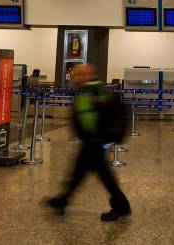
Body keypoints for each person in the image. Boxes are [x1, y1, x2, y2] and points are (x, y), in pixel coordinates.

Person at [46, 63, 131, 221]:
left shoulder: (86, 92)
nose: (75, 79)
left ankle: (121, 206)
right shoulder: (101, 88)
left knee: (103, 175)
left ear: (85, 76)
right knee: (80, 171)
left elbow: (85, 118)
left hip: (94, 140)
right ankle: (62, 199)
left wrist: (89, 137)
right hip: (96, 140)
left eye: (78, 75)